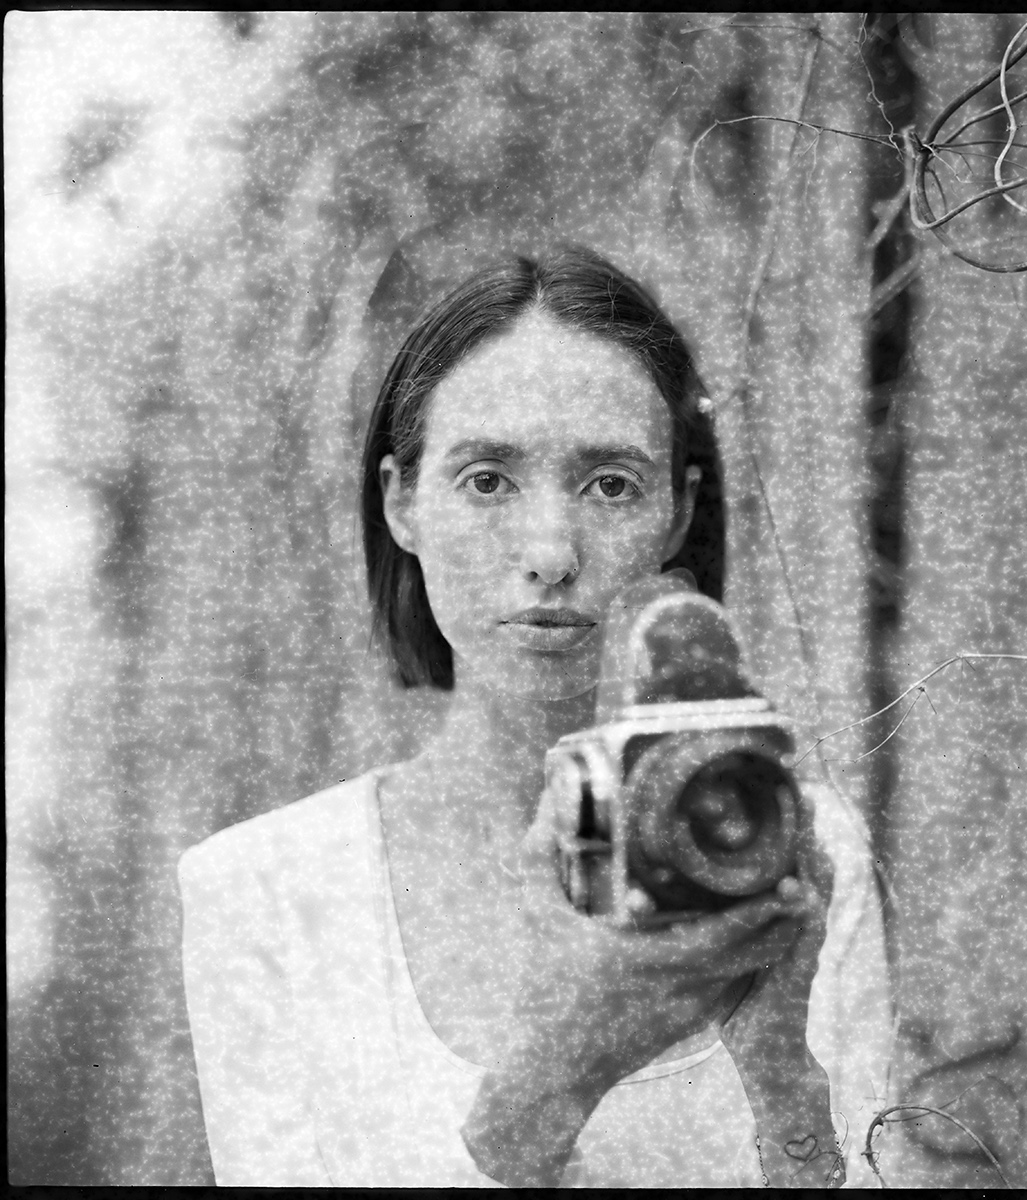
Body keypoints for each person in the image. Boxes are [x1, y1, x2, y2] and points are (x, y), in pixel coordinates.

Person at [178, 247, 893, 1187]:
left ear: (677, 515)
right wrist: (560, 1074)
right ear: (402, 502)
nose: (552, 552)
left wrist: (782, 1079)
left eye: (611, 483)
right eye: (487, 479)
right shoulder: (264, 892)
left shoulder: (794, 846)